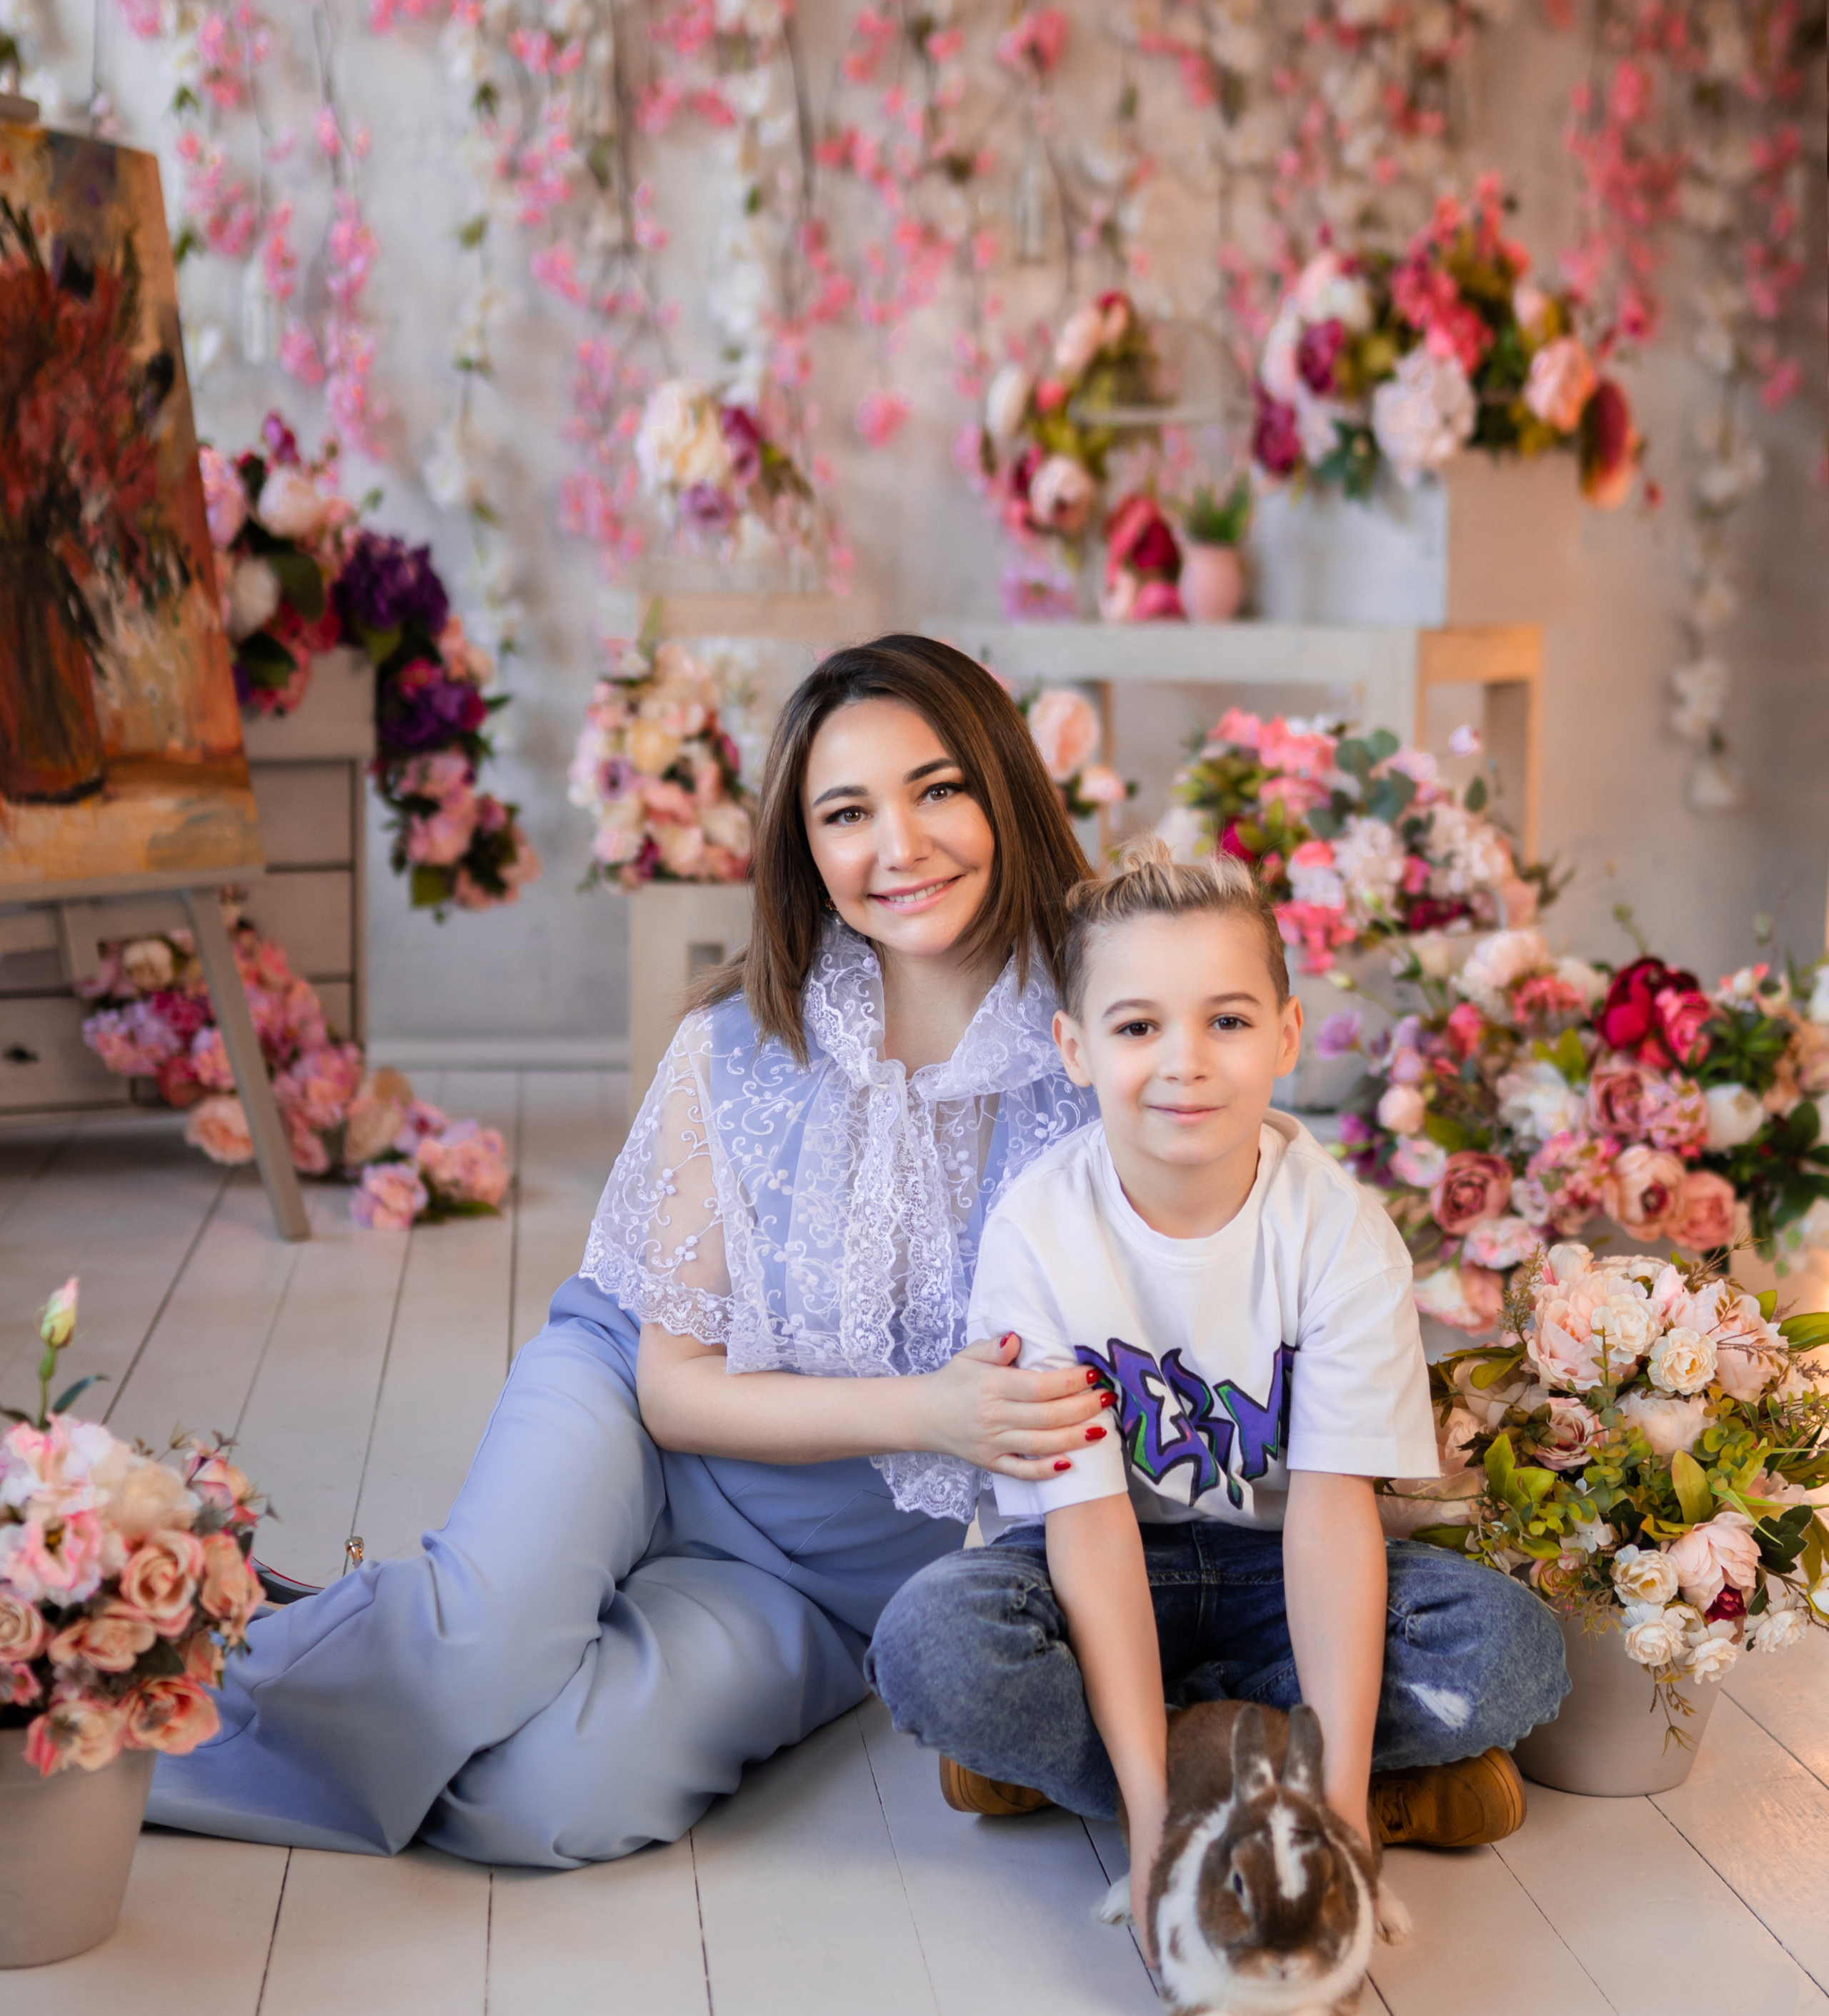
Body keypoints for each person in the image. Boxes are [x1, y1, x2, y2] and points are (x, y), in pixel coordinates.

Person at [146, 636, 1111, 1867]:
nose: (901, 847)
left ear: (1005, 788)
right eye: (847, 813)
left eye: (939, 790)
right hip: (635, 1412)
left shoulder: (1089, 1056)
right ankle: (113, 1679)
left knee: (542, 1804)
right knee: (474, 1659)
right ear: (805, 851)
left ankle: (377, 1649)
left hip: (817, 1582)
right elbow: (674, 1386)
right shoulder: (742, 1044)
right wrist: (932, 1411)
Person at [866, 842, 1570, 1925]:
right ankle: (1209, 1787)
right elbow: (1089, 1529)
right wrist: (1155, 1832)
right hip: (1092, 1560)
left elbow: (1336, 1521)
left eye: (1227, 1021)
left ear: (1286, 1037)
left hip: (1280, 1573)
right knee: (933, 1647)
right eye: (1138, 1026)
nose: (1184, 1062)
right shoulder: (1040, 1232)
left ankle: (1243, 1786)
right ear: (1076, 1048)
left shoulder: (1339, 1232)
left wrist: (1335, 1830)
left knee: (1511, 1653)